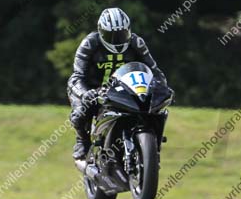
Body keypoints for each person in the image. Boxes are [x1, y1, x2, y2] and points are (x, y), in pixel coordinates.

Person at [67, 8, 167, 161]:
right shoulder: (90, 43)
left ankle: (152, 144)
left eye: (122, 34)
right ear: (101, 32)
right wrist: (86, 93)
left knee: (157, 109)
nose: (118, 39)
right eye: (111, 35)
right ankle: (82, 141)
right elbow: (77, 76)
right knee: (80, 112)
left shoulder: (136, 43)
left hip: (124, 88)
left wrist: (161, 87)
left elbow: (154, 71)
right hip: (93, 89)